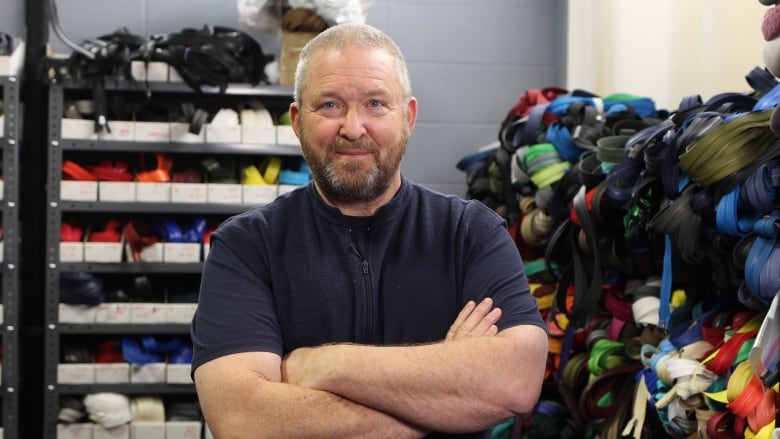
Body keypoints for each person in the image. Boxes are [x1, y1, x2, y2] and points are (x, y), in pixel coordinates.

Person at [191, 22, 548, 439]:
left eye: (376, 103)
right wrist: (440, 400)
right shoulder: (247, 247)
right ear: (296, 120)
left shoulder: (471, 234)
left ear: (409, 117)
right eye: (329, 105)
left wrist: (321, 365)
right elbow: (244, 421)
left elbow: (516, 382)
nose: (354, 127)